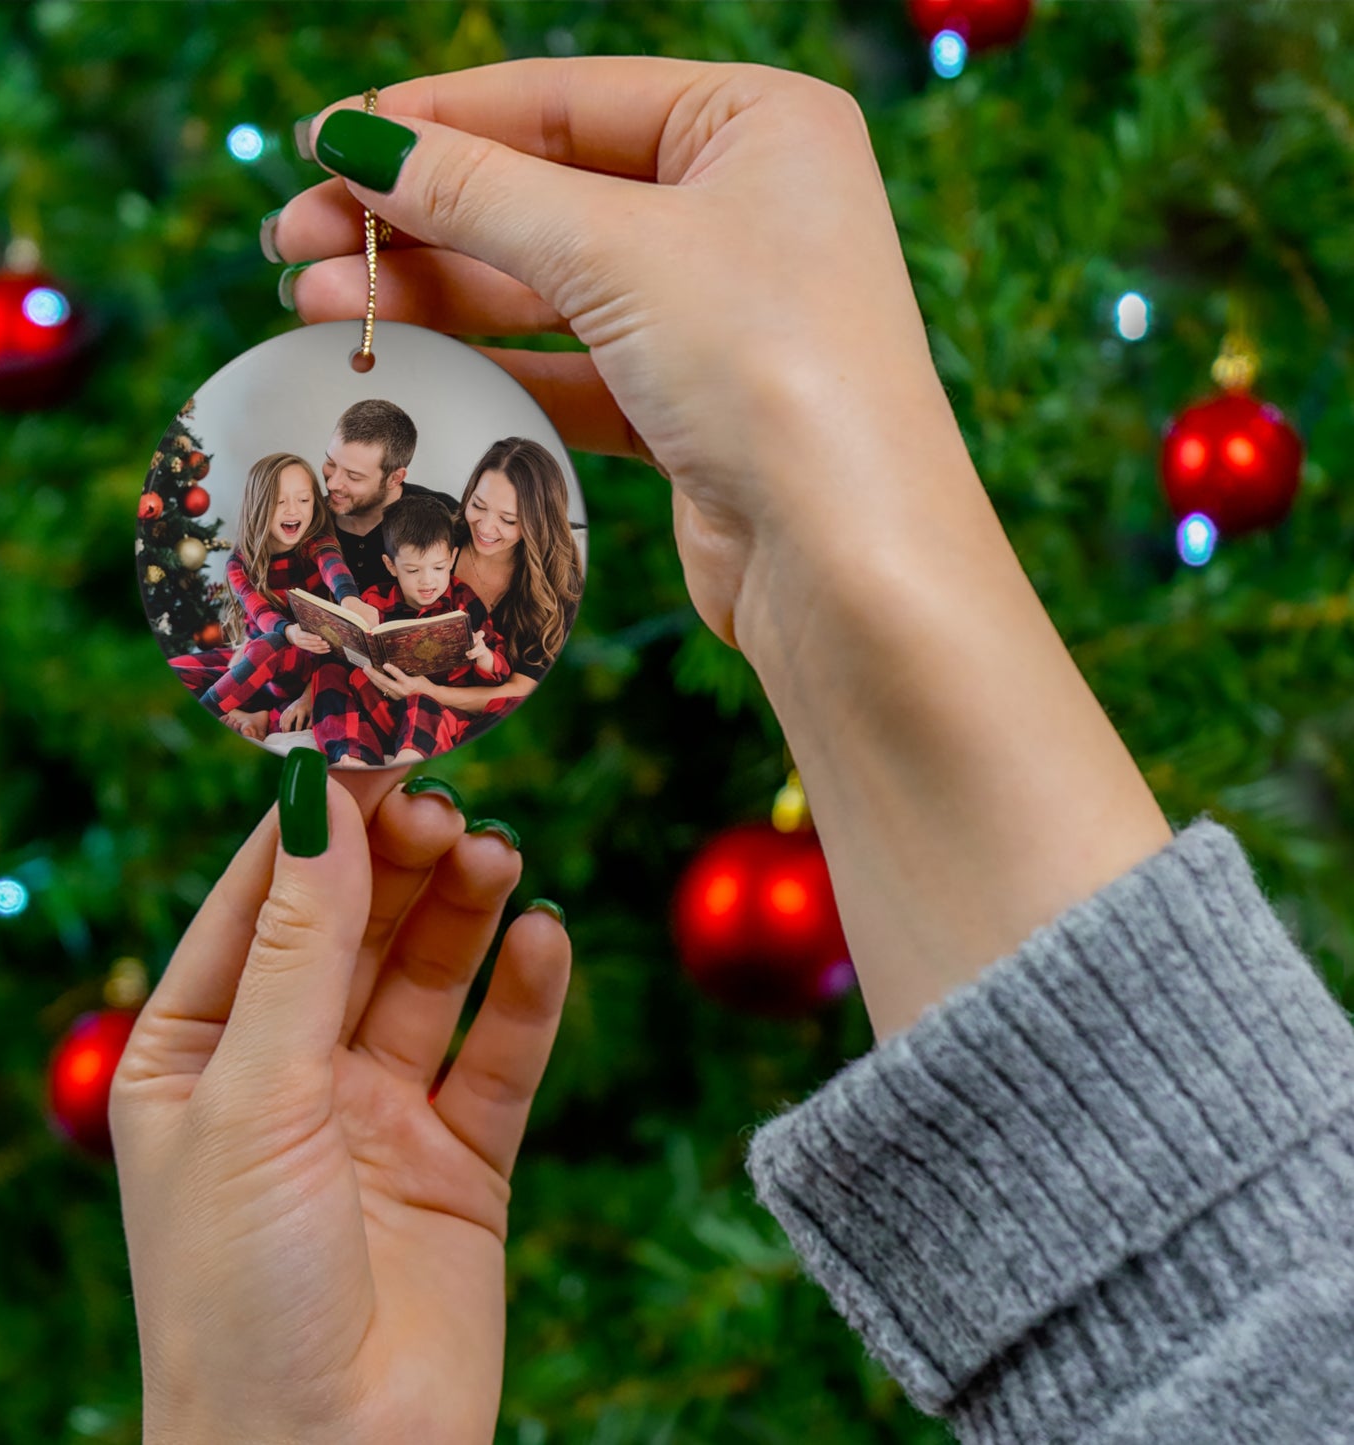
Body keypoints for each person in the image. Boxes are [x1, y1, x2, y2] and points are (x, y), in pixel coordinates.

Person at [112, 57, 1354, 1445]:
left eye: (349, 485)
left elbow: (1248, 1335)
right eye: (312, 489)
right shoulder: (276, 559)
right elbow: (1245, 1333)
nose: (334, 497)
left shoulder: (435, 568)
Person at [349, 435, 584, 748]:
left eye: (508, 520)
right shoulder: (439, 536)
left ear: (538, 522)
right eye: (478, 506)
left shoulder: (558, 587)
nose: (485, 528)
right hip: (394, 694)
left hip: (477, 710)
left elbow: (520, 691)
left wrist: (430, 693)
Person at [167, 452, 378, 740]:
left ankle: (208, 722)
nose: (293, 510)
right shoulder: (240, 563)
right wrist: (286, 631)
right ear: (259, 506)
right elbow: (261, 614)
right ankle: (256, 713)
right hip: (255, 665)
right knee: (175, 670)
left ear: (315, 504)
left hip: (301, 666)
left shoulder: (317, 544)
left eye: (303, 500)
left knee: (273, 645)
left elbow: (334, 569)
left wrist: (350, 599)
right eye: (280, 502)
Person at [312, 493, 510, 767]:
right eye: (413, 570)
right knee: (330, 670)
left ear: (452, 558)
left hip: (437, 715)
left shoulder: (464, 601)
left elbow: (500, 668)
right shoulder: (374, 601)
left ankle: (407, 760)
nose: (427, 581)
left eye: (438, 567)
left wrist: (484, 656)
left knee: (427, 703)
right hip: (381, 710)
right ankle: (351, 756)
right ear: (391, 565)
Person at [323, 397, 462, 593]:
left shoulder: (445, 515)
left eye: (353, 476)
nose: (332, 483)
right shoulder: (304, 516)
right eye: (330, 463)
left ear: (395, 478)